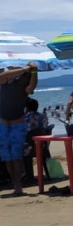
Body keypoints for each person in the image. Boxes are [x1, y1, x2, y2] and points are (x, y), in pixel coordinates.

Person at [0, 63, 38, 195]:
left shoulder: (25, 78)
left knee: (16, 156)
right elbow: (2, 77)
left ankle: (18, 184)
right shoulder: (5, 78)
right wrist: (24, 69)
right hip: (3, 123)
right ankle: (15, 181)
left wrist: (33, 71)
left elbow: (31, 88)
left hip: (17, 123)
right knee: (7, 157)